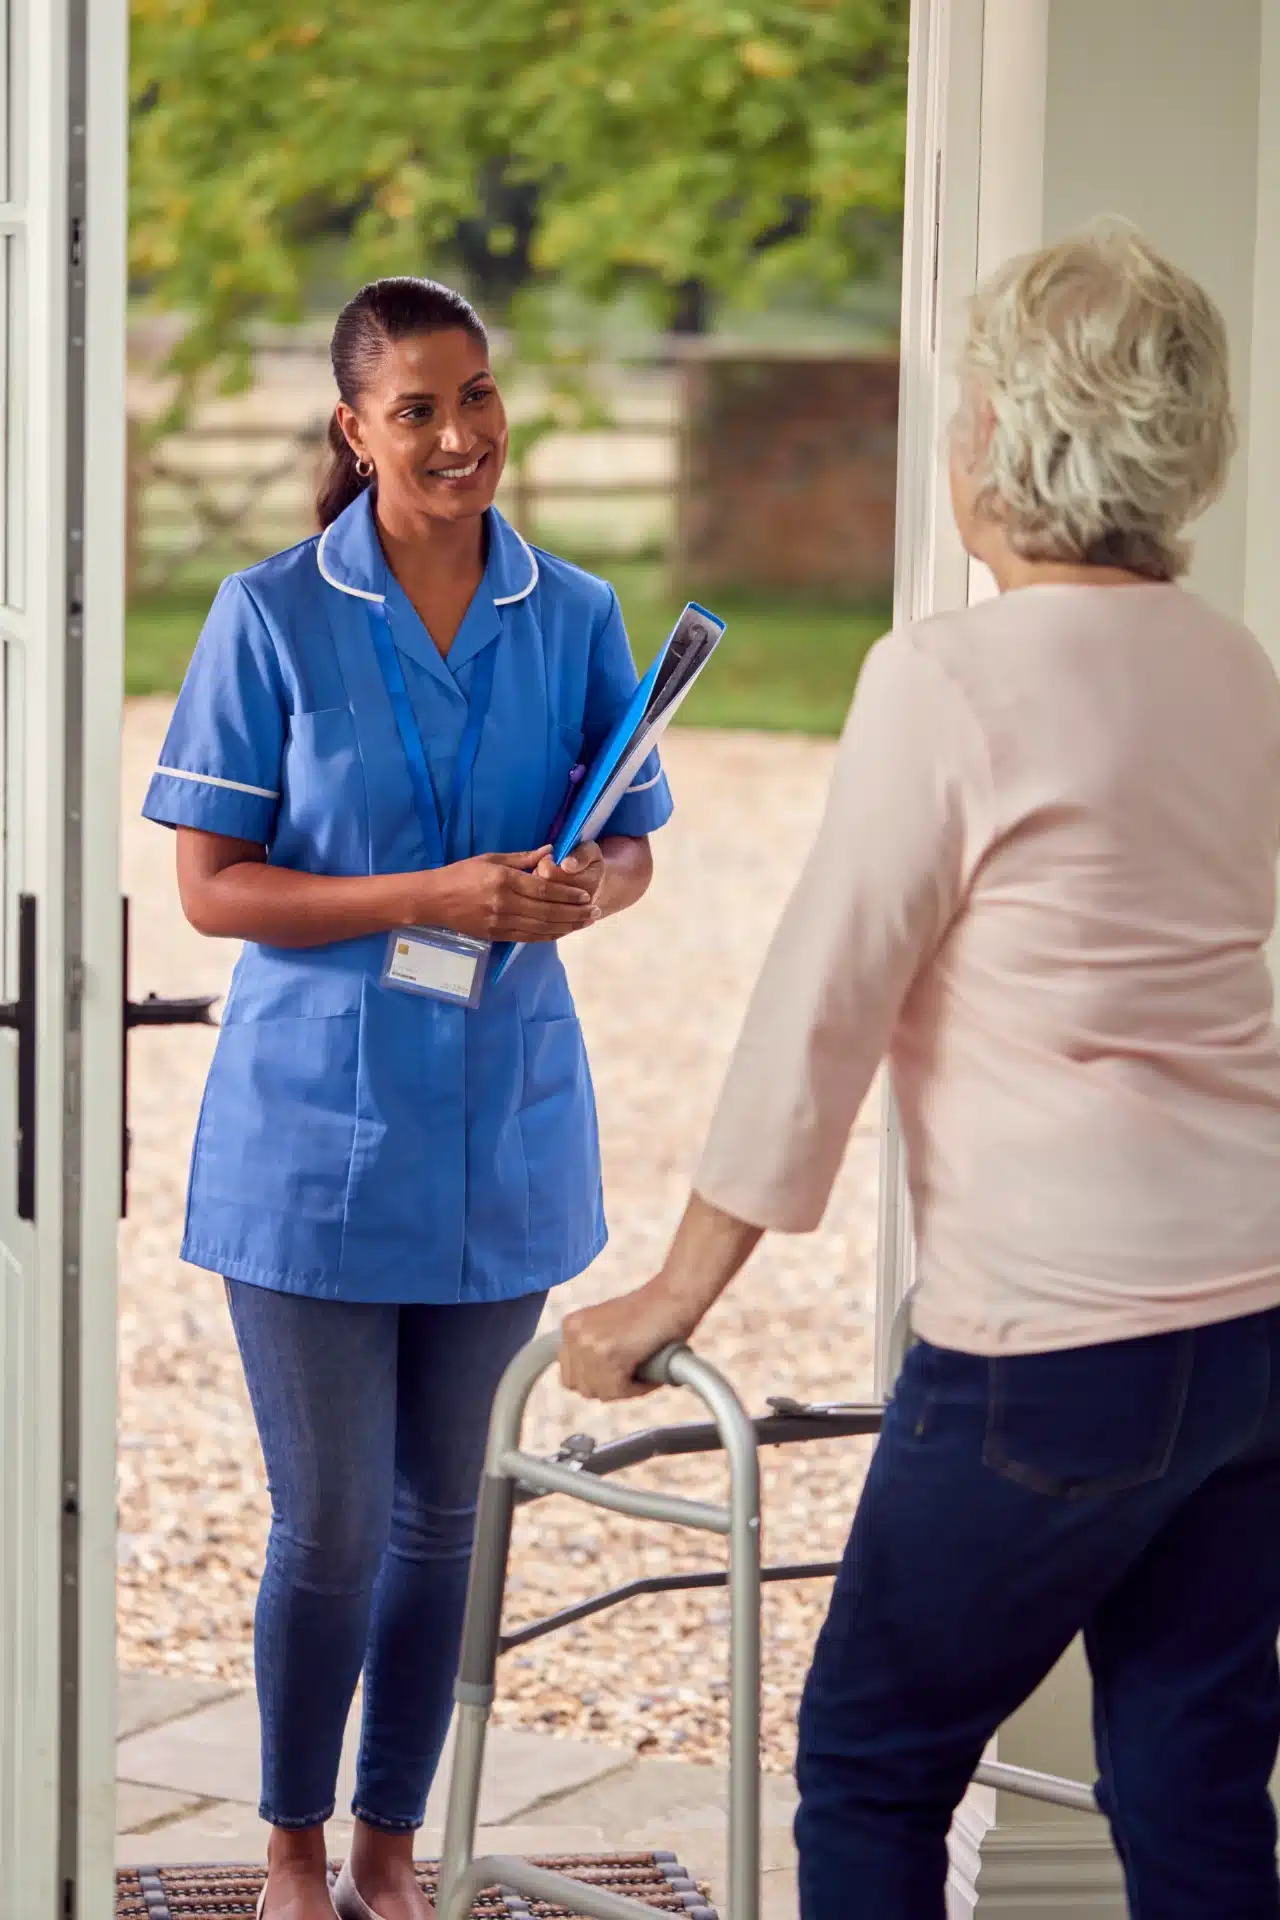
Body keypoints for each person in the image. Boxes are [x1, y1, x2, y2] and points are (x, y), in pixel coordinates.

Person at [560, 219, 1280, 1919]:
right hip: (1253, 1322)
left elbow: (822, 1004)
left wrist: (675, 1290)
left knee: (874, 1760)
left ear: (1007, 438)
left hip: (1058, 1343)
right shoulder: (1237, 670)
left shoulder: (946, 679)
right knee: (1190, 1769)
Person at [143, 276, 672, 1920]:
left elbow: (634, 835)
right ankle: (291, 1844)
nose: (460, 435)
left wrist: (592, 888)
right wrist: (423, 895)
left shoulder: (573, 610)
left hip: (500, 1126)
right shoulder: (273, 616)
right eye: (420, 408)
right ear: (355, 431)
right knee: (332, 1525)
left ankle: (389, 1842)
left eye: (478, 398)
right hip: (311, 1134)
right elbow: (212, 891)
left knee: (449, 1519)